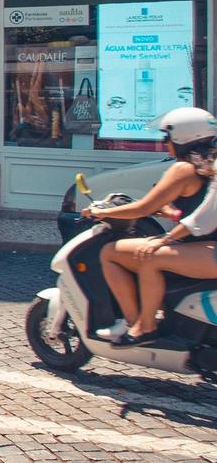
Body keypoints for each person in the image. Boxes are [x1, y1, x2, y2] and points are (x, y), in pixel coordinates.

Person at [87, 107, 217, 346]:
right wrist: (170, 213)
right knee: (150, 250)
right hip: (205, 247)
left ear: (182, 138)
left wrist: (100, 212)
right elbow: (202, 209)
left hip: (209, 251)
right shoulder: (208, 166)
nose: (165, 144)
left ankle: (141, 325)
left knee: (116, 253)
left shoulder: (183, 169)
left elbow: (142, 208)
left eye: (166, 138)